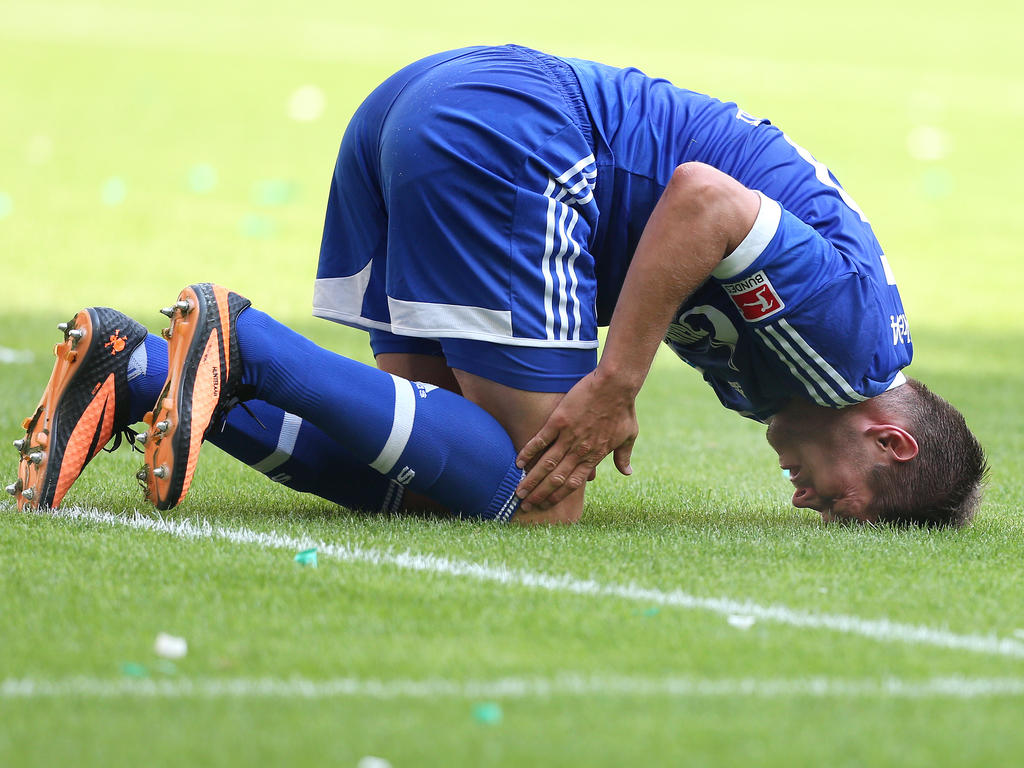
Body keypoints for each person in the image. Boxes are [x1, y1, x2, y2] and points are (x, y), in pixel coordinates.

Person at [8, 44, 986, 526]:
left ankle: (139, 375)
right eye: (850, 503)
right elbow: (702, 203)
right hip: (513, 139)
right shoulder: (850, 336)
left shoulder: (792, 382)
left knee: (434, 467)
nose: (810, 506)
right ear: (888, 439)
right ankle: (241, 340)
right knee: (538, 494)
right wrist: (615, 380)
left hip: (437, 107)